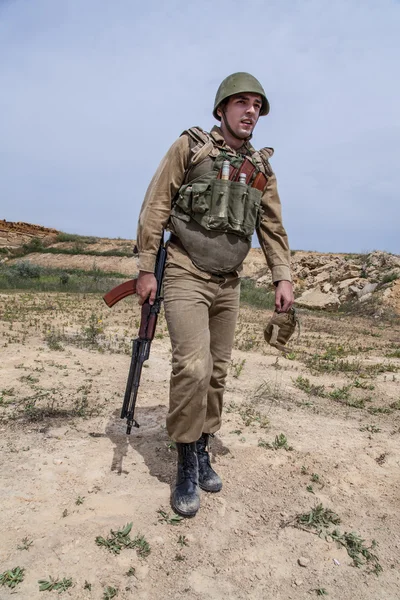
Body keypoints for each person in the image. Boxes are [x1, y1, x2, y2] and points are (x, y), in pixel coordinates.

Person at [136, 72, 294, 517]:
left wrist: (283, 276)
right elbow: (156, 206)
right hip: (185, 270)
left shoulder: (261, 169)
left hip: (230, 280)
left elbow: (272, 228)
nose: (250, 112)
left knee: (218, 371)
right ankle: (186, 458)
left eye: (257, 106)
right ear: (221, 108)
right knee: (193, 365)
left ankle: (203, 444)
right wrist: (147, 268)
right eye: (242, 102)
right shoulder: (191, 148)